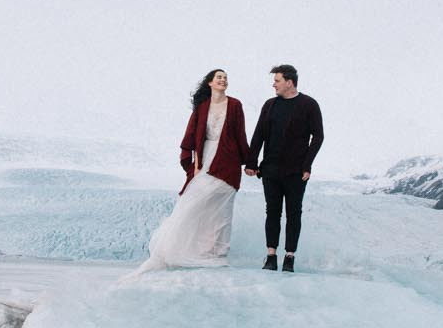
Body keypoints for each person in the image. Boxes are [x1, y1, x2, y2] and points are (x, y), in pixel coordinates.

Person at [136, 68, 253, 271]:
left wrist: (250, 162)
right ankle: (177, 249)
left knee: (223, 209)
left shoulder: (235, 105)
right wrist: (192, 164)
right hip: (206, 159)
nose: (223, 80)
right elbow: (191, 135)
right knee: (192, 203)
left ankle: (217, 253)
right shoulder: (202, 107)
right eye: (219, 77)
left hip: (228, 161)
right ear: (210, 82)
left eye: (226, 78)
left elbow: (240, 134)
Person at [246, 63, 324, 272]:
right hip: (270, 169)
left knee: (293, 213)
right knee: (272, 212)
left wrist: (307, 164)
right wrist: (251, 162)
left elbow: (318, 137)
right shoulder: (270, 105)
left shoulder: (309, 105)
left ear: (289, 82)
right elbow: (259, 134)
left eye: (277, 81)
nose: (274, 85)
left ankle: (289, 257)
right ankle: (271, 256)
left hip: (296, 171)